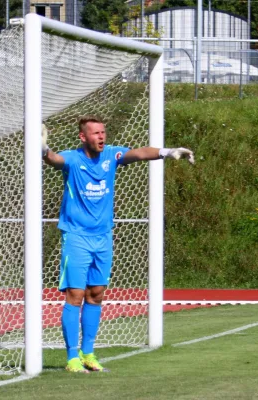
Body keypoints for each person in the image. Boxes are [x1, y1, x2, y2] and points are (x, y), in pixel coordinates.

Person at [42, 115, 194, 373]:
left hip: (103, 237)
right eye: (96, 133)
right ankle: (71, 358)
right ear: (83, 137)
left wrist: (167, 152)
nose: (101, 136)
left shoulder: (111, 156)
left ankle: (88, 353)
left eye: (103, 132)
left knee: (96, 293)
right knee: (75, 295)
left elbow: (140, 153)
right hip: (76, 236)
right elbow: (54, 159)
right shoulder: (73, 159)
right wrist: (43, 149)